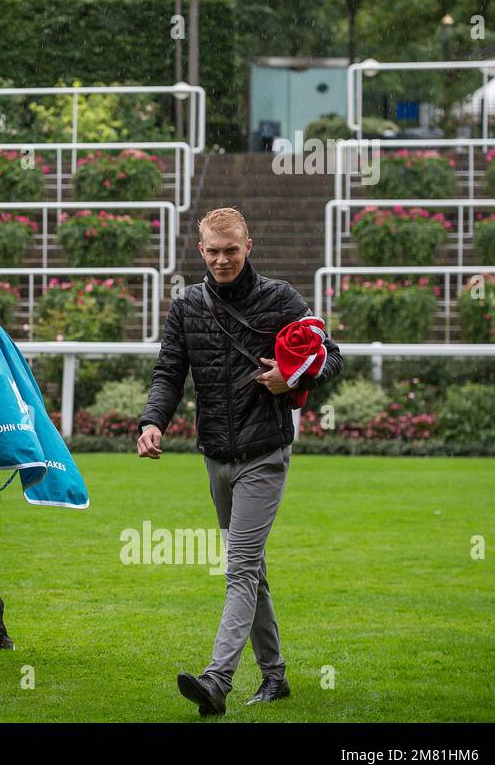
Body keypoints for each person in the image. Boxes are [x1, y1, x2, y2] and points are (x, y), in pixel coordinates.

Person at [136, 207, 343, 716]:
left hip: (265, 453)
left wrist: (293, 378)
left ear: (248, 246)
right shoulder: (187, 305)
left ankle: (217, 679)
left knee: (239, 568)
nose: (222, 259)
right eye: (213, 251)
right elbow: (169, 372)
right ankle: (275, 677)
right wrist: (151, 421)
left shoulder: (280, 298)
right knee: (253, 572)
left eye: (232, 250)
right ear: (200, 250)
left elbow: (331, 356)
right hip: (215, 457)